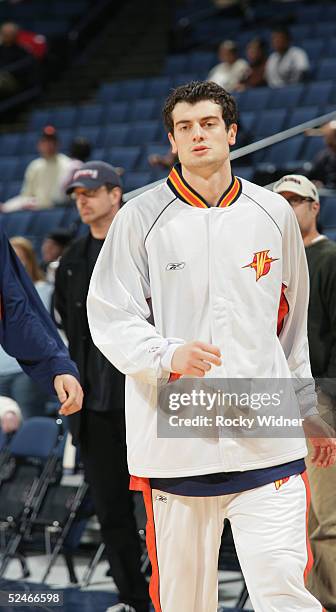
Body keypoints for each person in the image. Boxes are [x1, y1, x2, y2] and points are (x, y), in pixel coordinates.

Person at [87, 80, 336, 612]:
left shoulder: (273, 214)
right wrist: (166, 354)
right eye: (184, 127)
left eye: (207, 124)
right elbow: (110, 316)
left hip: (267, 436)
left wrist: (305, 407)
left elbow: (291, 331)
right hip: (178, 439)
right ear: (172, 142)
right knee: (185, 602)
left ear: (231, 132)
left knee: (284, 591)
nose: (197, 135)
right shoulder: (139, 217)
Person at [54, 161, 150, 612]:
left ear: (116, 193)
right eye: (76, 195)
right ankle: (132, 599)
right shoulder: (71, 261)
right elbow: (68, 331)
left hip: (144, 400)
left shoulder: (145, 246)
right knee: (111, 511)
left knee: (160, 509)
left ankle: (171, 597)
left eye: (90, 192)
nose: (83, 200)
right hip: (93, 406)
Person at [273, 174, 336, 612]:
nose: (289, 207)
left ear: (315, 208)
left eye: (298, 200)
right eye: (281, 201)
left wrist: (326, 404)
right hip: (277, 404)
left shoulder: (335, 261)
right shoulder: (266, 264)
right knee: (289, 521)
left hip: (327, 403)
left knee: (330, 519)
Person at [0, 227, 82, 417]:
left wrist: (55, 363)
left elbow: (17, 310)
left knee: (27, 418)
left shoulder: (44, 289)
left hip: (18, 368)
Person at [0, 237, 54, 419]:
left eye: (19, 258)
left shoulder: (43, 290)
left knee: (30, 422)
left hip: (28, 370)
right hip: (2, 368)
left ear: (29, 261)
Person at [2, 125, 71, 212]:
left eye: (52, 141)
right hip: (36, 209)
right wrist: (7, 207)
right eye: (45, 141)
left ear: (58, 144)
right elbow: (26, 196)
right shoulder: (34, 166)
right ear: (39, 145)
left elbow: (65, 197)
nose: (49, 145)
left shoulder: (67, 164)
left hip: (57, 209)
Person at [307, 119, 336, 189]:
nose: (328, 143)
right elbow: (311, 176)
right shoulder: (323, 156)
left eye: (332, 138)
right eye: (327, 138)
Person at [0, 21, 34, 98]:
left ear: (16, 34)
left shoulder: (22, 51)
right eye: (4, 32)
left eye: (9, 33)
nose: (6, 35)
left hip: (14, 80)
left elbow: (25, 71)